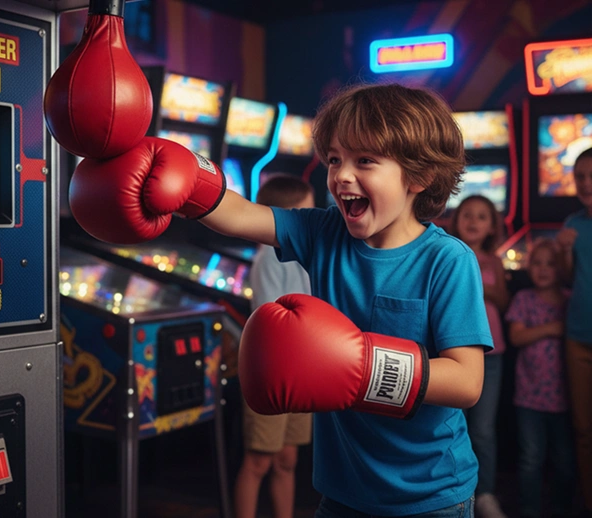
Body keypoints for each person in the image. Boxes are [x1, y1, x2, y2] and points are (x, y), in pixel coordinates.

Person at [69, 82, 493, 516]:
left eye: (365, 160)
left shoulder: (447, 260)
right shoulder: (325, 233)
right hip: (343, 490)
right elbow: (239, 216)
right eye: (334, 159)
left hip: (431, 495)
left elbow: (466, 382)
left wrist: (358, 366)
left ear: (419, 176)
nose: (341, 175)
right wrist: (187, 173)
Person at [234, 174, 314, 518]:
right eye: (308, 212)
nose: (316, 218)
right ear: (287, 215)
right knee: (259, 460)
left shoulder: (307, 251)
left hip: (302, 368)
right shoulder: (269, 255)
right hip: (272, 369)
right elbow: (273, 317)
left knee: (287, 459)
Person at [449, 195, 509, 518]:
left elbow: (502, 300)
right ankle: (455, 491)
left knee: (483, 430)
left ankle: (484, 493)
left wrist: (474, 277)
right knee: (451, 423)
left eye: (482, 216)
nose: (473, 221)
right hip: (453, 352)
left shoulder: (493, 261)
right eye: (467, 215)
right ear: (456, 219)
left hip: (492, 355)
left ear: (491, 226)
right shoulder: (448, 254)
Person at [505, 239, 575, 518]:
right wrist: (550, 328)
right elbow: (516, 336)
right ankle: (529, 510)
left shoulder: (571, 300)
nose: (543, 269)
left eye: (550, 263)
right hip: (529, 397)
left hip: (566, 398)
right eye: (537, 263)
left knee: (565, 460)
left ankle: (563, 508)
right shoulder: (524, 299)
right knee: (530, 459)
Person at [557, 147, 592, 517]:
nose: (585, 183)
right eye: (580, 176)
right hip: (577, 336)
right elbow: (567, 280)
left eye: (591, 175)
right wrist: (564, 253)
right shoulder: (572, 224)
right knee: (582, 431)